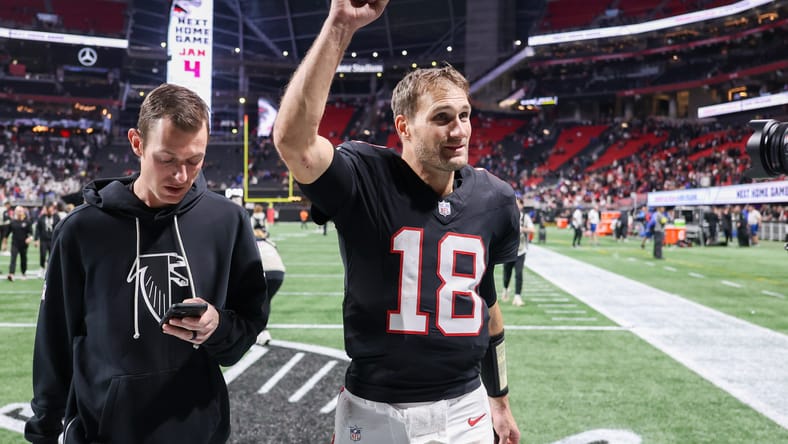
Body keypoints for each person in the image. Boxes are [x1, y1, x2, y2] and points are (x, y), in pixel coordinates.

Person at [273, 1, 521, 443]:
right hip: (376, 410)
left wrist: (499, 401)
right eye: (442, 118)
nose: (459, 130)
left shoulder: (495, 199)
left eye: (464, 115)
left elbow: (486, 305)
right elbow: (295, 142)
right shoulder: (366, 176)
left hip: (466, 408)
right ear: (404, 127)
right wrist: (340, 26)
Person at [25, 83, 269, 444]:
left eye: (193, 160)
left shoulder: (228, 222)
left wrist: (217, 328)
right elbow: (54, 341)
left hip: (199, 431)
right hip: (103, 432)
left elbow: (245, 329)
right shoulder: (82, 229)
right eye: (167, 159)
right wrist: (44, 431)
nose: (181, 176)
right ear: (137, 143)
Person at [253, 228, 286, 345]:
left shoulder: (251, 242)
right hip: (279, 273)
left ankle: (261, 332)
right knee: (265, 302)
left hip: (265, 272)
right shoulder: (269, 242)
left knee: (260, 303)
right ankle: (262, 331)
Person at [501, 198, 535, 307]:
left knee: (519, 273)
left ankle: (517, 296)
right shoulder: (507, 216)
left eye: (518, 203)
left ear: (521, 205)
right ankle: (505, 289)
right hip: (508, 250)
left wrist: (522, 229)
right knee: (507, 273)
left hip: (521, 250)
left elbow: (532, 230)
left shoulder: (525, 217)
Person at [7, 205, 33, 281]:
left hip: (24, 244)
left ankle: (23, 272)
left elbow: (31, 233)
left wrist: (29, 238)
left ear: (23, 212)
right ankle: (11, 274)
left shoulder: (27, 221)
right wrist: (4, 243)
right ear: (15, 212)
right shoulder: (12, 222)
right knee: (13, 258)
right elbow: (7, 233)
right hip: (14, 243)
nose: (19, 212)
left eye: (20, 211)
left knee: (23, 258)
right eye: (18, 211)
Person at [34, 203, 60, 276]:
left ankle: (49, 269)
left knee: (52, 255)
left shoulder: (56, 217)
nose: (50, 211)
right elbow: (38, 229)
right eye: (49, 209)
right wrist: (36, 239)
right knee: (42, 254)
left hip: (53, 240)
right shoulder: (41, 217)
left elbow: (60, 228)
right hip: (43, 240)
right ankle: (42, 268)